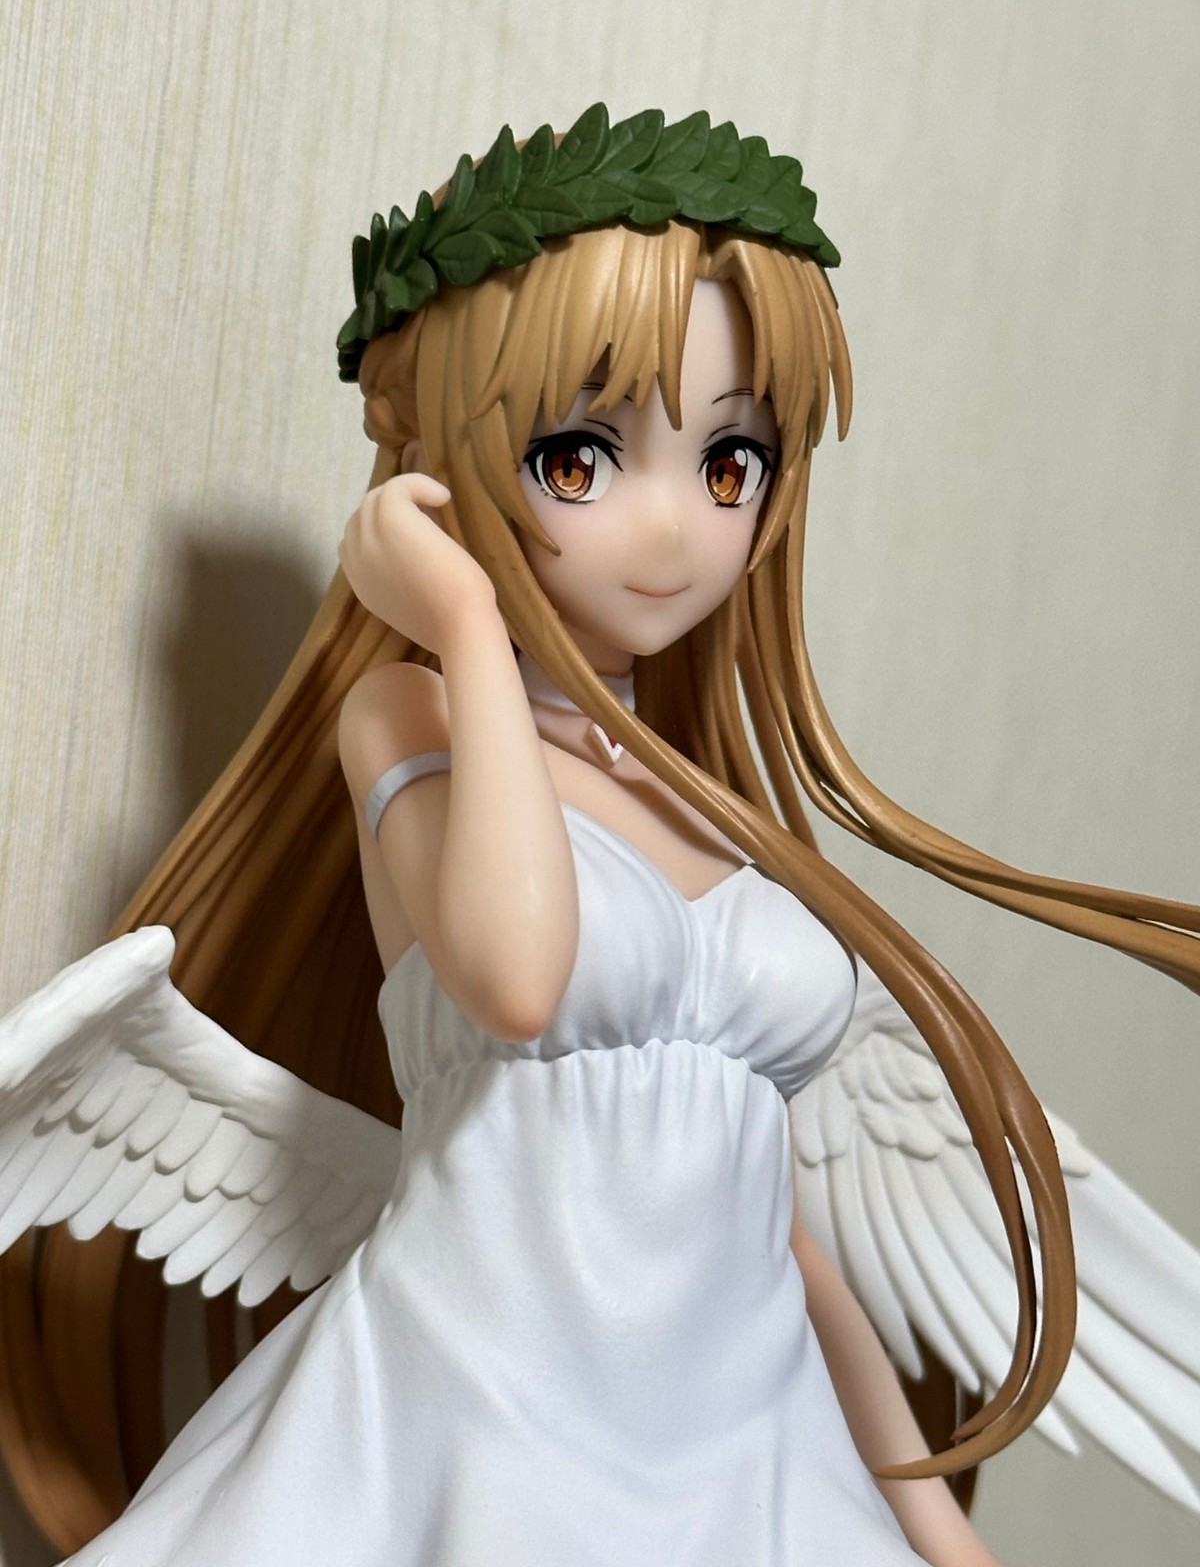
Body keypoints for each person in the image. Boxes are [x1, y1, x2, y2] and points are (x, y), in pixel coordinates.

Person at [0, 104, 1195, 1566]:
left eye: (731, 462)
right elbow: (517, 973)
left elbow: (778, 1242)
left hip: (749, 1457)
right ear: (445, 458)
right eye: (582, 456)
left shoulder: (711, 803)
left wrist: (937, 1527)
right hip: (489, 1415)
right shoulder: (413, 715)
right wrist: (459, 617)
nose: (674, 528)